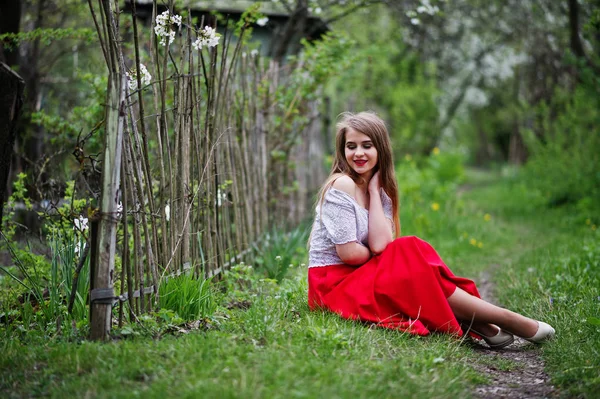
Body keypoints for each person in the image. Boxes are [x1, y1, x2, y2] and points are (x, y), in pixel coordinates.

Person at [307, 111, 555, 348]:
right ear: (342, 151)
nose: (358, 153)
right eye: (351, 146)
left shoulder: (378, 189)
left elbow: (381, 245)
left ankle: (486, 321)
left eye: (367, 145)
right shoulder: (342, 185)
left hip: (357, 276)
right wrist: (377, 256)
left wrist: (373, 191)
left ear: (380, 149)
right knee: (406, 251)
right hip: (333, 285)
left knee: (410, 250)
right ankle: (501, 319)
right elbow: (351, 255)